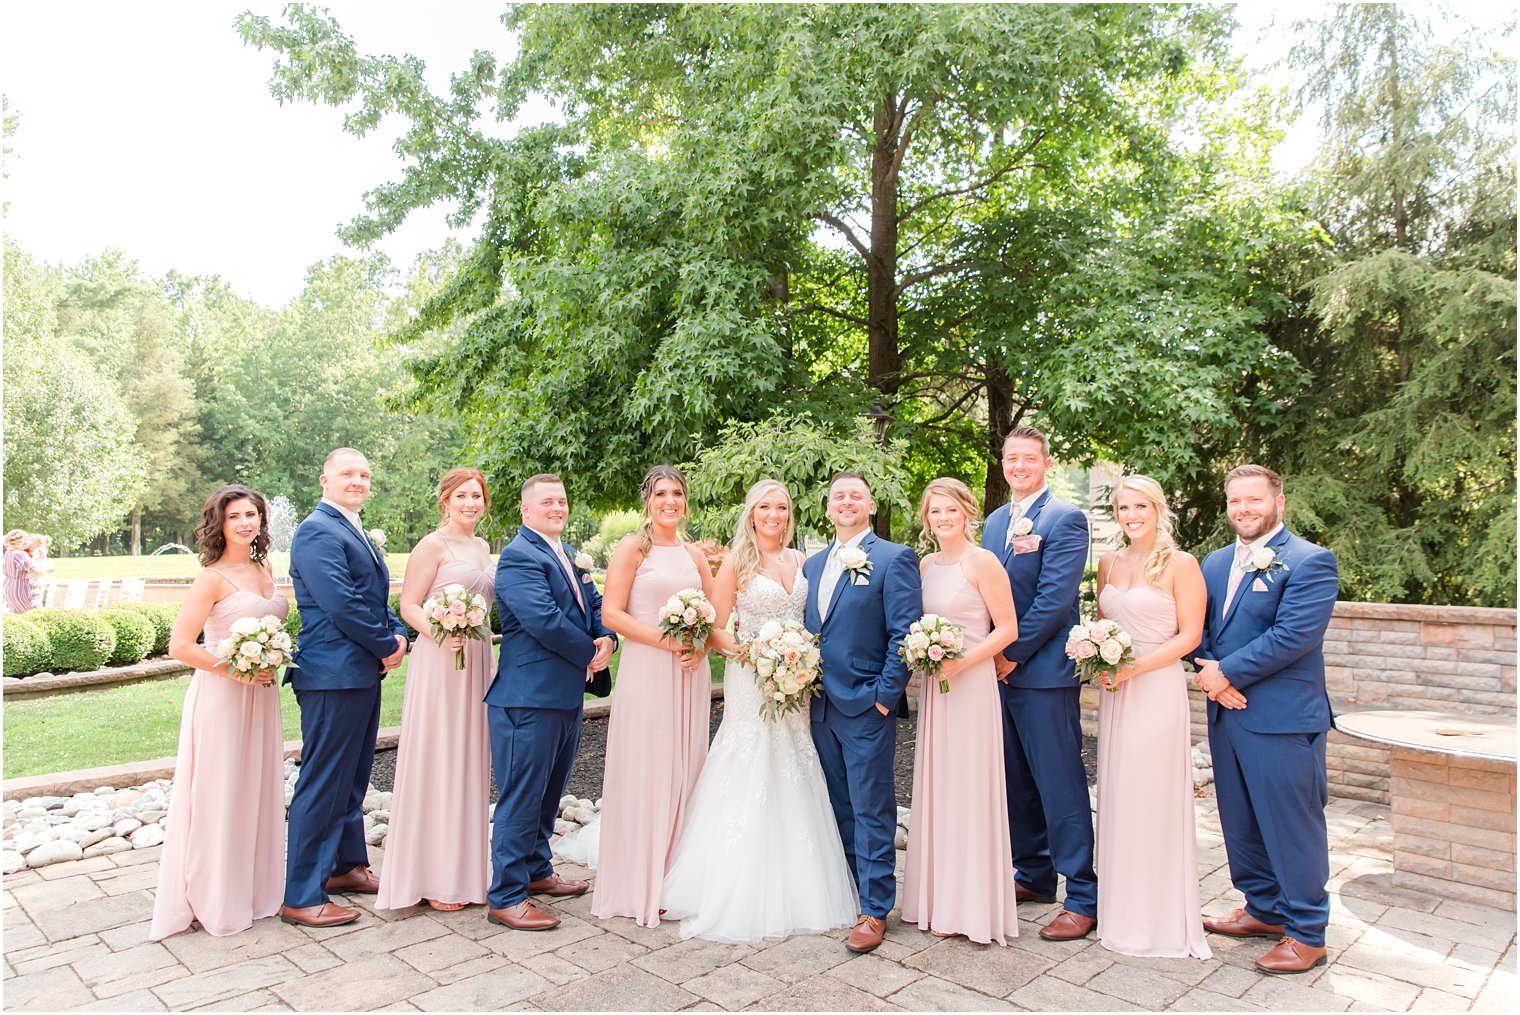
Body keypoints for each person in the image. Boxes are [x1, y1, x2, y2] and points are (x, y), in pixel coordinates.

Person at [660, 479, 859, 942]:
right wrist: (759, 657)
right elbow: (713, 627)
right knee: (750, 760)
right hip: (753, 678)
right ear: (751, 514)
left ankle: (800, 878)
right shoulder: (736, 562)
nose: (775, 515)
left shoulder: (801, 560)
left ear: (790, 514)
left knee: (796, 760)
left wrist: (795, 659)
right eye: (765, 507)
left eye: (782, 507)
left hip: (797, 681)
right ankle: (736, 882)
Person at [1195, 464, 1339, 975]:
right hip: (1228, 714)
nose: (1244, 509)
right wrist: (1212, 671)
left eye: (1254, 500)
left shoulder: (1310, 562)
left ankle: (1307, 933)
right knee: (1240, 820)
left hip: (1280, 718)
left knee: (1291, 825)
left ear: (1279, 502)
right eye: (1235, 501)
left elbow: (1294, 636)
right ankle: (1263, 909)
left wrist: (1225, 675)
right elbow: (1202, 630)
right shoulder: (1213, 563)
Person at [150, 485, 288, 940]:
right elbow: (180, 646)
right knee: (221, 792)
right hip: (224, 696)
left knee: (256, 787)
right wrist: (236, 670)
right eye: (235, 517)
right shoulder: (211, 576)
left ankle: (251, 887)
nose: (246, 523)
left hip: (262, 696)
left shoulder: (264, 566)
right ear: (220, 524)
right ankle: (214, 896)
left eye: (252, 514)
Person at [281, 449, 409, 929]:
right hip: (332, 674)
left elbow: (375, 596)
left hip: (359, 672)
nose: (358, 481)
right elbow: (340, 602)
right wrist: (384, 644)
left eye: (364, 475)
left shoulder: (354, 529)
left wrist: (396, 633)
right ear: (324, 479)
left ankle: (345, 867)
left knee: (353, 777)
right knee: (324, 781)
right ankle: (302, 894)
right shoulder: (316, 530)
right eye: (348, 474)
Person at [980, 425, 1097, 941]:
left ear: (1045, 463)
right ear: (1003, 464)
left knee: (1059, 783)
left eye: (1029, 458)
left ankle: (1084, 895)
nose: (1019, 466)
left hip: (1044, 674)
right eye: (1012, 459)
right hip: (996, 674)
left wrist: (1011, 653)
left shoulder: (1066, 519)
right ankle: (1033, 873)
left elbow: (1053, 600)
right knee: (1016, 782)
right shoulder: (993, 522)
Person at [487, 474, 616, 931]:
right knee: (522, 797)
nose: (557, 508)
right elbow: (543, 620)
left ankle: (537, 870)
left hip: (563, 695)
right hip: (528, 698)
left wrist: (608, 637)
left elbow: (594, 604)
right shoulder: (519, 556)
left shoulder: (565, 554)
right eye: (547, 502)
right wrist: (589, 652)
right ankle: (505, 895)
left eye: (561, 501)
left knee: (549, 791)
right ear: (526, 510)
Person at [1092, 475, 1211, 959]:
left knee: (1151, 796)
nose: (1131, 515)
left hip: (1156, 688)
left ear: (1159, 509)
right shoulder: (1107, 562)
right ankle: (1122, 911)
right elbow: (1103, 625)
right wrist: (1097, 659)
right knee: (1119, 795)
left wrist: (1133, 668)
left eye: (1140, 506)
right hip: (1116, 692)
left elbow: (1190, 636)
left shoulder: (1181, 564)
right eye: (1123, 508)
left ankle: (1157, 920)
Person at [802, 472, 922, 954]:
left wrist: (883, 698)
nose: (846, 502)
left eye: (856, 495)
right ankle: (852, 888)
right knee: (839, 804)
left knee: (872, 807)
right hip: (818, 704)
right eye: (838, 497)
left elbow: (905, 634)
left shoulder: (894, 558)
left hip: (866, 704)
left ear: (870, 506)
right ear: (828, 508)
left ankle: (875, 908)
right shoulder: (811, 565)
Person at [591, 465, 715, 928]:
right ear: (648, 500)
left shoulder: (692, 553)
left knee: (685, 768)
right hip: (647, 669)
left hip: (688, 673)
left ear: (685, 501)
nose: (670, 501)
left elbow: (713, 613)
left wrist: (700, 650)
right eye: (662, 493)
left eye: (677, 494)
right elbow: (611, 613)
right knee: (648, 766)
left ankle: (674, 878)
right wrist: (663, 640)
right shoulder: (633, 547)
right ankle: (637, 880)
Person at [902, 479, 1020, 944]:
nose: (943, 518)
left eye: (950, 510)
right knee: (940, 785)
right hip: (937, 688)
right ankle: (936, 896)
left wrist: (963, 660)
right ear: (927, 518)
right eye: (935, 512)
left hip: (971, 686)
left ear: (967, 512)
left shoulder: (983, 561)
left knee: (970, 786)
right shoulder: (928, 563)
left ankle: (971, 905)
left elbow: (1007, 628)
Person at [377, 469, 495, 913]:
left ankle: (463, 873)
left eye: (477, 496)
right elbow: (408, 604)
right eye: (462, 495)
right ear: (445, 500)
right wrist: (441, 632)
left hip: (479, 657)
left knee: (469, 757)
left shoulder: (482, 547)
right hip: (441, 658)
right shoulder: (432, 545)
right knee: (439, 756)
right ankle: (431, 876)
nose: (470, 503)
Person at [4, 529, 36, 614]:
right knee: (35, 614)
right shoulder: (20, 554)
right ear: (20, 541)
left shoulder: (9, 552)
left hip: (9, 589)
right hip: (22, 590)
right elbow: (36, 571)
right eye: (26, 539)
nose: (28, 542)